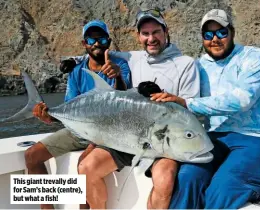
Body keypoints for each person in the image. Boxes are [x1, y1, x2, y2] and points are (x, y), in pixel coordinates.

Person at [66, 9, 200, 209]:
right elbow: (98, 51)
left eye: (156, 32)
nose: (151, 38)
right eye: (145, 34)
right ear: (138, 37)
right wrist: (74, 60)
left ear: (166, 31)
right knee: (87, 167)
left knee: (164, 181)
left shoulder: (185, 64)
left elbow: (190, 110)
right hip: (126, 137)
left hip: (163, 143)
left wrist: (167, 98)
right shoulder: (134, 58)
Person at [24, 20, 131, 210]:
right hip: (79, 128)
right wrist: (49, 116)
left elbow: (123, 103)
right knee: (32, 156)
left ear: (109, 41)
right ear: (84, 44)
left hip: (107, 131)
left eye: (101, 39)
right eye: (91, 39)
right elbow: (69, 108)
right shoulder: (76, 72)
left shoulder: (120, 66)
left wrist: (118, 77)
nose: (97, 43)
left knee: (84, 163)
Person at [166, 9, 260, 209]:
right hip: (211, 140)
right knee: (186, 179)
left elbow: (243, 99)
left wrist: (188, 103)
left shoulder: (253, 57)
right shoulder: (198, 66)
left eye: (221, 32)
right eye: (208, 35)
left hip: (252, 137)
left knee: (222, 189)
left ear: (232, 32)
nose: (215, 39)